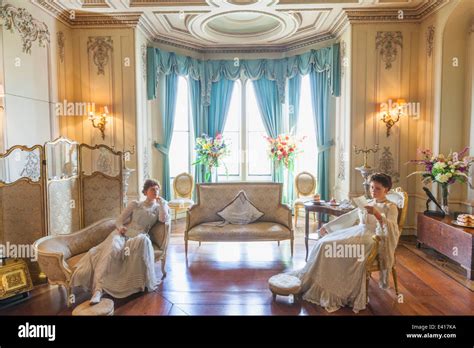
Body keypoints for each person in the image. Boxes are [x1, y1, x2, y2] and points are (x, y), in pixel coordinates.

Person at [290, 173, 399, 313]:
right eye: (371, 187)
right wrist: (327, 227)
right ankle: (316, 281)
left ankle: (333, 288)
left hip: (372, 239)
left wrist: (378, 215)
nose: (373, 191)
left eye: (377, 188)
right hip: (358, 232)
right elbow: (350, 216)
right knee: (323, 242)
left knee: (330, 247)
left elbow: (392, 229)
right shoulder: (368, 202)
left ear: (387, 190)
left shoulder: (391, 207)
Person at [71, 179, 170, 305]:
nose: (155, 191)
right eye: (152, 189)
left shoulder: (159, 207)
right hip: (123, 234)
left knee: (143, 240)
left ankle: (131, 285)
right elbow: (118, 221)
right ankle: (98, 290)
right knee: (111, 251)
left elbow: (164, 219)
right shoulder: (135, 204)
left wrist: (162, 204)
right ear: (145, 192)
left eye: (157, 189)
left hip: (138, 238)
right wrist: (120, 228)